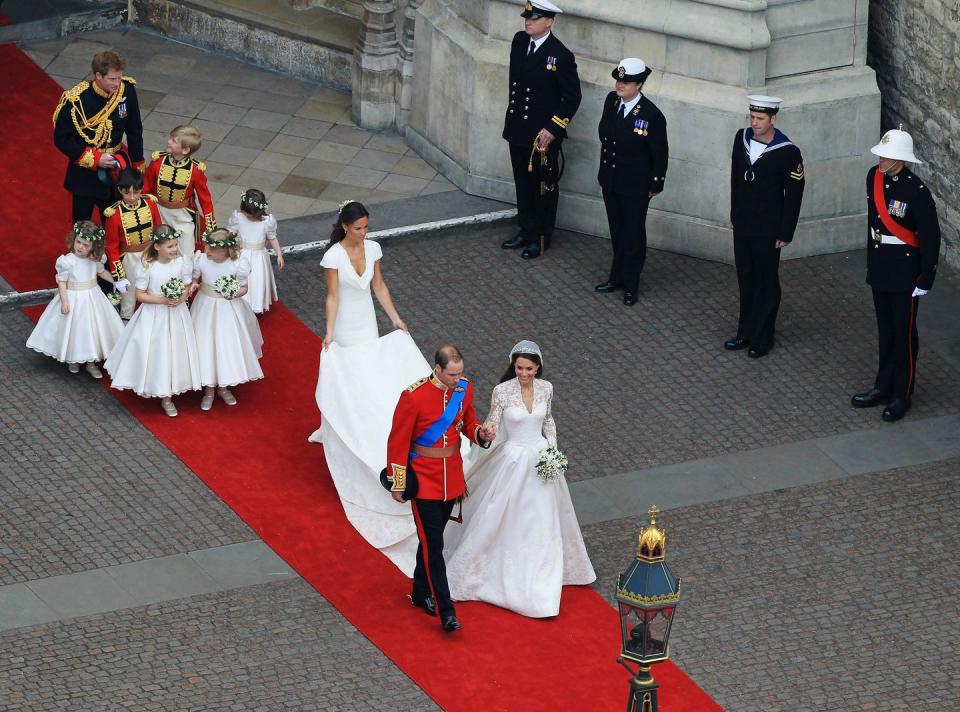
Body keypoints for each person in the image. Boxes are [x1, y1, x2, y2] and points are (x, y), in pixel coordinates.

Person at [307, 201, 433, 576]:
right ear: (346, 226)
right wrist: (329, 333)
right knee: (347, 375)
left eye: (366, 227)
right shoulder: (332, 256)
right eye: (359, 227)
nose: (364, 232)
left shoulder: (374, 249)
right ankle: (335, 425)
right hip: (345, 324)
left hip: (367, 321)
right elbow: (333, 296)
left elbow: (378, 284)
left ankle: (352, 419)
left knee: (368, 374)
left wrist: (396, 320)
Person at [445, 341, 595, 617]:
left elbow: (548, 420)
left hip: (540, 460)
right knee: (500, 514)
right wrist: (487, 431)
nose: (523, 374)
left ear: (537, 367)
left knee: (543, 519)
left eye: (528, 369)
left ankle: (542, 577)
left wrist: (551, 448)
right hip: (512, 460)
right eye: (518, 368)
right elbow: (493, 420)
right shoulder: (502, 391)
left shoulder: (546, 388)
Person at [384, 345, 494, 633]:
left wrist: (479, 433)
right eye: (452, 375)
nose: (458, 380)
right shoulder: (413, 397)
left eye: (460, 373)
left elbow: (467, 422)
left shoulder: (463, 390)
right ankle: (446, 610)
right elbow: (397, 441)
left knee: (430, 539)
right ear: (438, 369)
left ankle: (420, 591)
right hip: (423, 482)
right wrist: (398, 483)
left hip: (451, 479)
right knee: (435, 546)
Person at [850, 127, 941, 423]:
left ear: (900, 161)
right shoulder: (873, 178)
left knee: (903, 335)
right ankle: (883, 385)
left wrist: (926, 276)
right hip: (881, 266)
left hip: (905, 272)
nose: (881, 160)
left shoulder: (917, 193)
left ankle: (902, 393)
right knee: (886, 331)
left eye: (887, 157)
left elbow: (930, 237)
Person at [500, 0, 581, 259]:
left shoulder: (560, 55)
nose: (528, 21)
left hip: (542, 136)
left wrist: (552, 129)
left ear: (549, 21)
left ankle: (541, 237)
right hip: (518, 128)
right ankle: (525, 229)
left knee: (542, 187)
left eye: (535, 18)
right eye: (527, 16)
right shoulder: (519, 41)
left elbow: (572, 98)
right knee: (523, 183)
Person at [725, 95, 805, 358]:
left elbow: (793, 194)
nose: (755, 123)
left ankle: (763, 336)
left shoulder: (788, 151)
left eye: (760, 118)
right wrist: (735, 214)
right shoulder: (742, 138)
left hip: (768, 229)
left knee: (766, 282)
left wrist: (785, 232)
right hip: (744, 224)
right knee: (745, 278)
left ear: (773, 119)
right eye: (752, 117)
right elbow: (736, 179)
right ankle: (745, 331)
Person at [104, 225, 201, 417]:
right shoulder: (148, 266)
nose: (174, 249)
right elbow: (140, 295)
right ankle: (158, 388)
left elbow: (187, 284)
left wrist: (181, 298)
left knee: (174, 350)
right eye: (170, 247)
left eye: (175, 245)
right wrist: (163, 300)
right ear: (157, 246)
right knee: (158, 350)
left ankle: (170, 392)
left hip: (176, 313)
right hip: (154, 313)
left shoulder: (182, 262)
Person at [594, 58, 669, 306]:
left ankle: (631, 284)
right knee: (617, 231)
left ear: (639, 84)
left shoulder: (650, 115)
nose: (620, 84)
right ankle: (616, 277)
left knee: (633, 234)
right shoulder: (611, 101)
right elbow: (606, 135)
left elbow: (659, 153)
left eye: (626, 82)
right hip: (611, 180)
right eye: (618, 79)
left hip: (635, 185)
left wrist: (655, 184)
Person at [53, 50, 144, 223]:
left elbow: (134, 131)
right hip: (84, 172)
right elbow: (62, 138)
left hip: (117, 168)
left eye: (119, 77)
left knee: (114, 224)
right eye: (112, 79)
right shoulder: (78, 100)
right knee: (82, 224)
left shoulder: (127, 91)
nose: (118, 83)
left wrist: (136, 165)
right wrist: (95, 159)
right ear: (98, 76)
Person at [26, 221, 124, 378]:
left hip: (93, 296)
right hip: (73, 297)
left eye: (86, 245)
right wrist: (65, 301)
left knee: (93, 329)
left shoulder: (94, 260)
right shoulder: (67, 261)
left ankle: (91, 363)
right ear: (74, 239)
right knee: (75, 330)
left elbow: (101, 272)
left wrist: (117, 282)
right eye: (79, 242)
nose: (81, 247)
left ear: (94, 247)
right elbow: (62, 282)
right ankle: (74, 359)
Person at [191, 228, 264, 411]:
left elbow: (244, 288)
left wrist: (234, 293)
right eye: (207, 246)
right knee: (206, 345)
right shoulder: (201, 260)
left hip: (227, 309)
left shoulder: (237, 264)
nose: (207, 251)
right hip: (205, 307)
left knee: (224, 345)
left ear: (225, 250)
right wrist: (193, 285)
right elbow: (193, 280)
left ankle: (223, 386)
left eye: (212, 249)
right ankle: (208, 389)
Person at [143, 125, 216, 257]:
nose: (169, 141)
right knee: (156, 250)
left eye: (174, 141)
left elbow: (205, 199)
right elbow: (146, 189)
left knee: (186, 253)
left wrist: (210, 226)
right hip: (158, 212)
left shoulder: (195, 170)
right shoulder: (157, 161)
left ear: (185, 150)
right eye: (171, 138)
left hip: (182, 216)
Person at [102, 168, 163, 319]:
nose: (132, 197)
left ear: (141, 189)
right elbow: (112, 246)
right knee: (129, 296)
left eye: (136, 192)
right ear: (119, 190)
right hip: (129, 258)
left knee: (154, 288)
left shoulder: (151, 204)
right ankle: (125, 323)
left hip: (150, 253)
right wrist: (119, 276)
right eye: (127, 193)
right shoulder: (114, 213)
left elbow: (158, 229)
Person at [227, 189, 285, 314]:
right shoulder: (238, 218)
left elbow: (272, 238)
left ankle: (255, 304)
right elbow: (230, 234)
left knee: (257, 280)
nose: (247, 216)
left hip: (259, 257)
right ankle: (240, 302)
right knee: (241, 277)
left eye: (250, 214)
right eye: (245, 212)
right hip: (241, 254)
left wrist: (279, 254)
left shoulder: (267, 222)